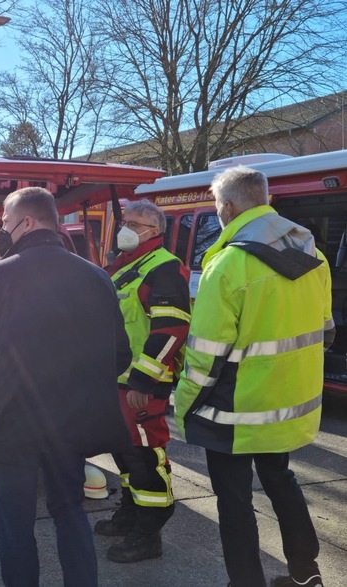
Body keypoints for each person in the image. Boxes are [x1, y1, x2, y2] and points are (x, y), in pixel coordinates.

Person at [0, 186, 133, 587]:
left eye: (5, 221)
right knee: (70, 512)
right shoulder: (96, 277)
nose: (3, 230)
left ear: (27, 222)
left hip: (8, 426)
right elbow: (120, 355)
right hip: (69, 427)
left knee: (15, 527)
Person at [174, 166, 334, 587]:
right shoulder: (314, 257)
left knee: (235, 500)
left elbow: (205, 355)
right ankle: (306, 573)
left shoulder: (227, 264)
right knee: (281, 481)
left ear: (226, 206)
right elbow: (326, 330)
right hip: (288, 404)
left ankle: (246, 582)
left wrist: (183, 402)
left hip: (235, 410)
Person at [94, 199, 191, 563]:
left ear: (155, 231)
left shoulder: (163, 269)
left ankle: (149, 532)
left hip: (140, 387)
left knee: (146, 456)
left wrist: (142, 382)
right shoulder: (123, 267)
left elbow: (171, 329)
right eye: (125, 222)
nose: (126, 229)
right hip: (116, 381)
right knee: (125, 454)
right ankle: (132, 514)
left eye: (135, 224)